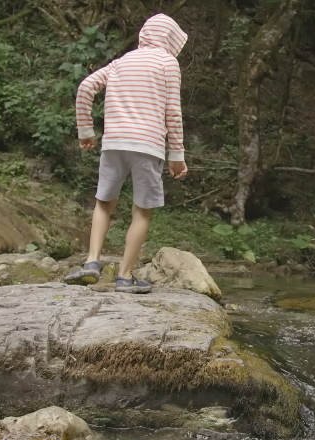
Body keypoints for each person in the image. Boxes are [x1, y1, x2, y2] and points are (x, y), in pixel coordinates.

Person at [64, 13, 188, 293]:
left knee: (104, 203)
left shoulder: (121, 62)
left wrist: (86, 131)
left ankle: (92, 263)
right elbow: (173, 111)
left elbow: (85, 87)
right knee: (141, 212)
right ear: (170, 40)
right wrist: (177, 154)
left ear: (144, 35)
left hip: (114, 142)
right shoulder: (168, 63)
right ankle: (124, 276)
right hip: (147, 145)